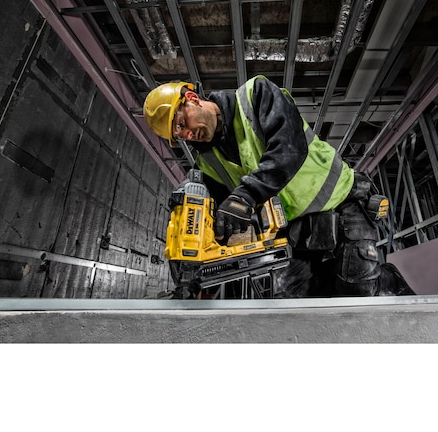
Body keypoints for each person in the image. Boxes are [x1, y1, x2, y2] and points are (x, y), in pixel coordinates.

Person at [143, 75, 415, 297]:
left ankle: (389, 280)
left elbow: (289, 150)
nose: (188, 135)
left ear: (191, 99)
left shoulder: (255, 94)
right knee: (292, 299)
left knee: (359, 293)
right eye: (179, 136)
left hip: (344, 204)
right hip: (296, 232)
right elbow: (222, 223)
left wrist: (246, 196)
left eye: (181, 123)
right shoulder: (208, 163)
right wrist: (193, 271)